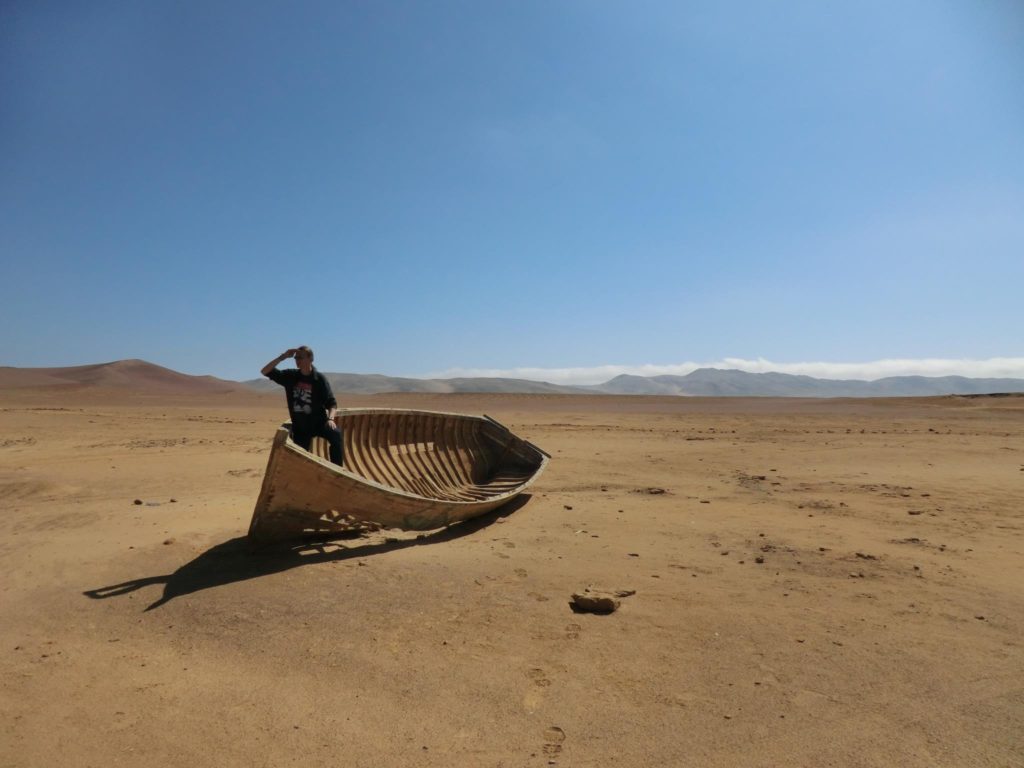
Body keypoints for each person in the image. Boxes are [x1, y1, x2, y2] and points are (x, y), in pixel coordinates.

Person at [261, 346, 343, 465]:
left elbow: (332, 403)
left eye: (300, 357)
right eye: (296, 358)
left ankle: (338, 469)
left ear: (311, 359)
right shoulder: (290, 376)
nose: (297, 360)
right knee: (300, 458)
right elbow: (265, 371)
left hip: (320, 423)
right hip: (301, 428)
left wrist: (331, 419)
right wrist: (282, 357)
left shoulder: (319, 379)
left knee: (336, 435)